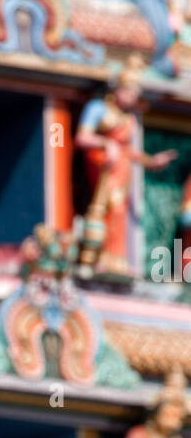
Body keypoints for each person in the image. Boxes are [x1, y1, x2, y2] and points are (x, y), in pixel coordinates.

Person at [75, 55, 177, 277]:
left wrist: (151, 161)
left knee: (120, 211)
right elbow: (80, 137)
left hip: (122, 168)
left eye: (135, 93)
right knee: (104, 207)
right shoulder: (98, 108)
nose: (132, 97)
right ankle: (94, 258)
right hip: (103, 164)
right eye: (129, 91)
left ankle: (114, 260)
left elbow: (128, 152)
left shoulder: (128, 119)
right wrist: (106, 143)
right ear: (118, 89)